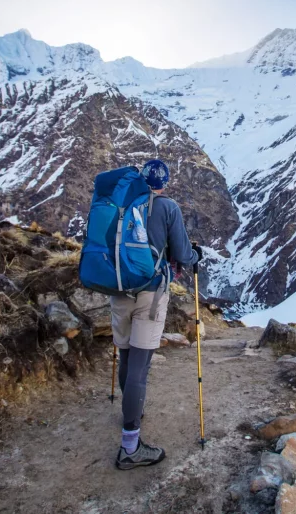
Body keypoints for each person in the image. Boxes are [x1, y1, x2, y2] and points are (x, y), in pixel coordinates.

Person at [112, 158, 199, 469]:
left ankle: (130, 409)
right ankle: (130, 447)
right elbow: (183, 254)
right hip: (150, 293)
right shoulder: (167, 207)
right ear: (165, 181)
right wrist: (196, 254)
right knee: (139, 365)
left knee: (125, 356)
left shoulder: (120, 203)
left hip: (119, 289)